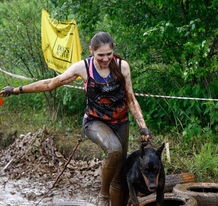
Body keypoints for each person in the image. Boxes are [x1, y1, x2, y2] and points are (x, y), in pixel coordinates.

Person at [0, 32, 151, 206]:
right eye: (100, 55)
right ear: (91, 51)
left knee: (119, 178)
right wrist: (17, 89)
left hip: (120, 122)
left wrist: (143, 127)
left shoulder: (122, 66)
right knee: (114, 149)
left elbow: (131, 99)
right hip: (95, 122)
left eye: (109, 54)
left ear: (113, 51)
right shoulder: (83, 67)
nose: (105, 59)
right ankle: (102, 197)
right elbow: (51, 84)